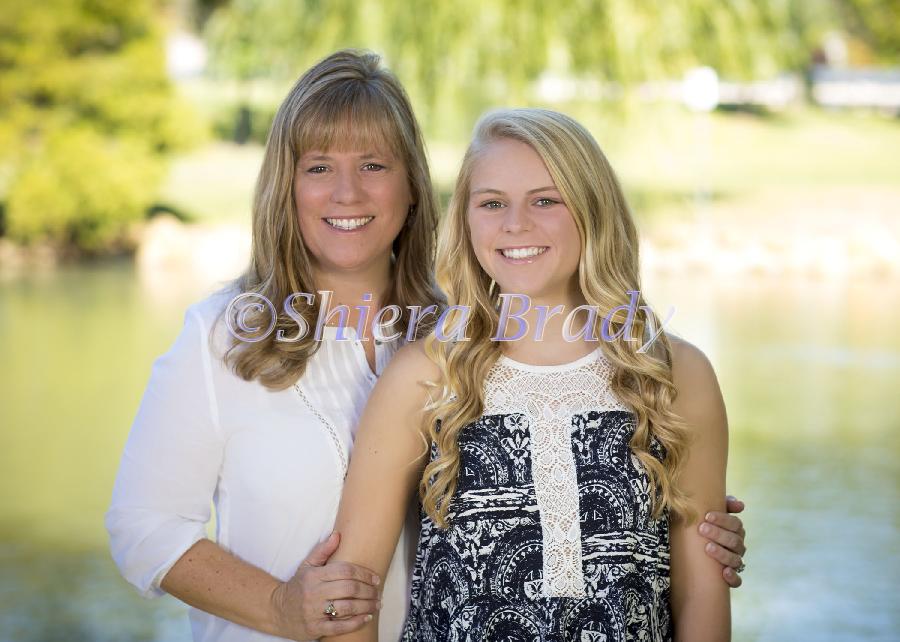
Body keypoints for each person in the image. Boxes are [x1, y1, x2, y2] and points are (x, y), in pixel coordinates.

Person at [106, 52, 746, 642]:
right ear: (286, 186)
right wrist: (281, 607)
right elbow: (144, 528)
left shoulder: (455, 334)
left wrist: (672, 533)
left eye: (374, 165)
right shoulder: (227, 336)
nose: (348, 192)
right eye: (319, 167)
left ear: (414, 186)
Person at [325, 108, 732, 641]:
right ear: (466, 221)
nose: (515, 224)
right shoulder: (425, 376)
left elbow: (702, 591)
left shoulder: (673, 374)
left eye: (545, 200)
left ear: (592, 209)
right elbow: (352, 591)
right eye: (492, 203)